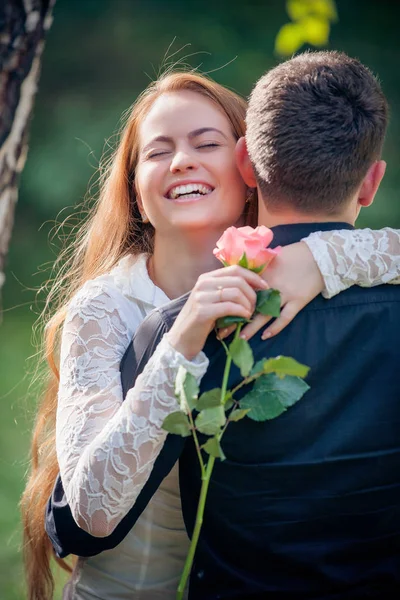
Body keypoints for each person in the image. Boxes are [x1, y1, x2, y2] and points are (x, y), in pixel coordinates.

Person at [24, 67, 399, 600]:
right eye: (157, 152)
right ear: (133, 189)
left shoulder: (296, 278)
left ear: (250, 165)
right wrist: (180, 342)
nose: (181, 161)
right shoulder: (107, 306)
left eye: (206, 142)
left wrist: (328, 254)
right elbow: (90, 512)